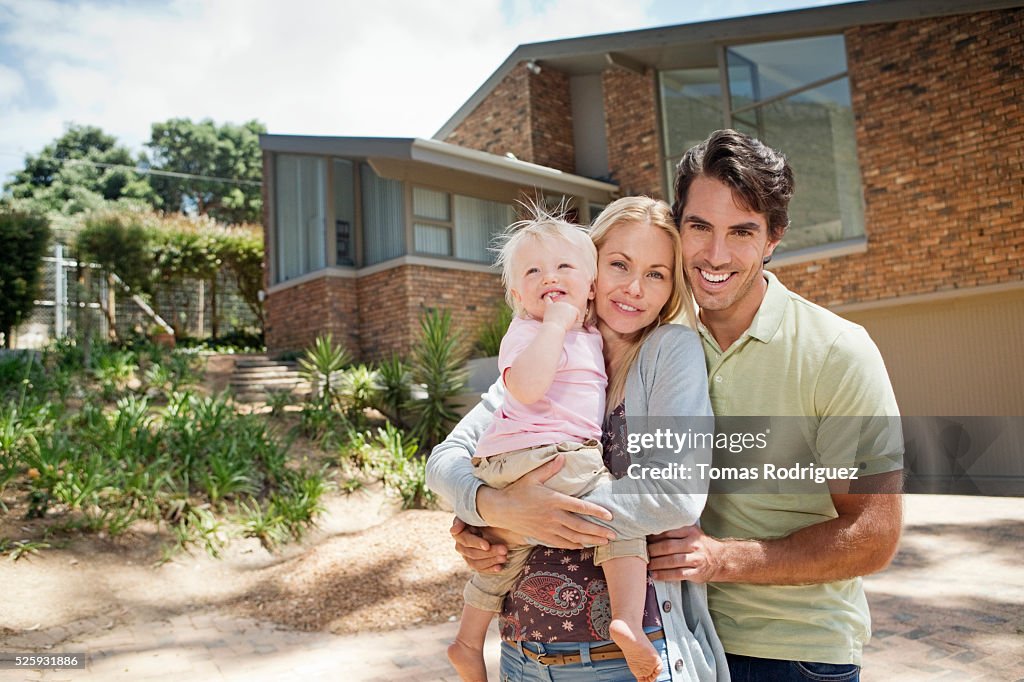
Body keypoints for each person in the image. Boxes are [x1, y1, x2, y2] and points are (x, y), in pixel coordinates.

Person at [427, 196, 728, 681]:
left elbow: (677, 493)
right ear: (590, 270)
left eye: (656, 274)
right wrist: (492, 507)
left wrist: (537, 516)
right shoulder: (541, 344)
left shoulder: (668, 350)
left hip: (618, 664)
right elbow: (444, 462)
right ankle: (467, 643)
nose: (634, 287)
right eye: (619, 264)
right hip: (521, 658)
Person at [642, 129, 904, 681]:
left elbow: (874, 535)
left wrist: (719, 559)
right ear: (677, 227)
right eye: (700, 227)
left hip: (796, 654)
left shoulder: (837, 351)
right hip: (672, 642)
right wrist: (493, 519)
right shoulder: (651, 338)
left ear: (773, 238)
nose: (716, 254)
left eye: (742, 231)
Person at [448, 211, 662, 682]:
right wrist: (555, 325)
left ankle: (466, 642)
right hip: (548, 455)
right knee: (619, 518)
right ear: (516, 296)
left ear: (590, 285)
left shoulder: (589, 335)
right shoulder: (530, 331)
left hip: (526, 458)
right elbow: (524, 389)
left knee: (504, 555)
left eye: (565, 267)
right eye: (533, 271)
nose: (549, 277)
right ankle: (627, 618)